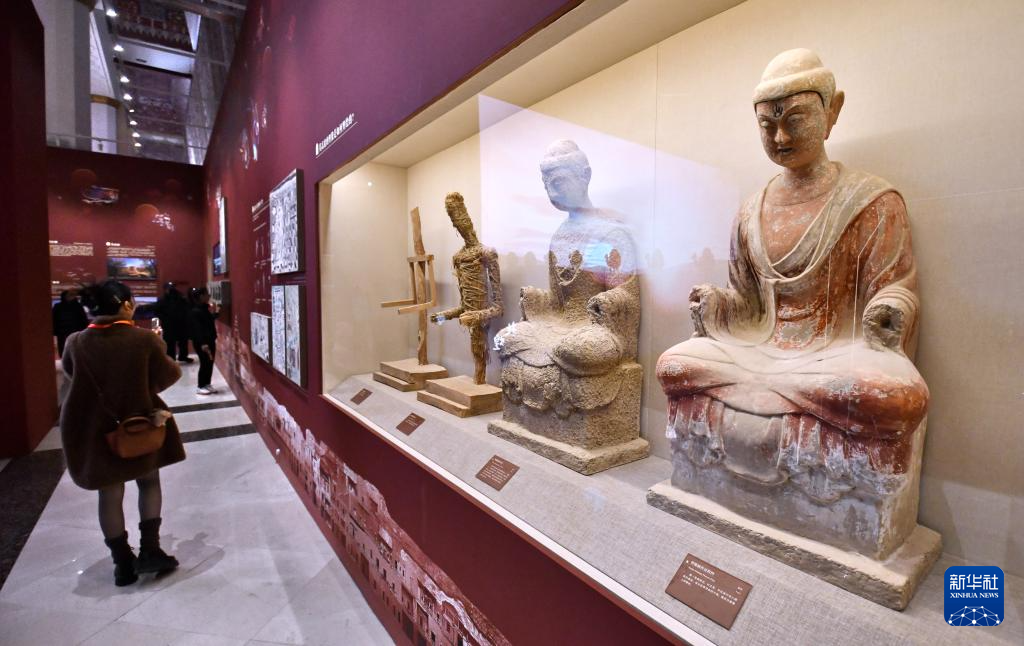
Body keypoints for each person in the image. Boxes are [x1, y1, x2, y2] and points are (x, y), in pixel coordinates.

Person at [60, 279, 185, 586]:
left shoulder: (76, 342)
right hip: (140, 425)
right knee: (149, 482)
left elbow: (71, 375)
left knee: (110, 493)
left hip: (96, 432)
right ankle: (150, 550)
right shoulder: (143, 339)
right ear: (127, 304)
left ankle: (122, 564)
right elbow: (169, 374)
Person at [188, 286, 219, 395]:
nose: (209, 296)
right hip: (203, 343)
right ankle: (200, 386)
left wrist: (216, 313)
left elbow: (208, 320)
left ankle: (207, 384)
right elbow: (197, 329)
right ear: (201, 296)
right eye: (207, 294)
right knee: (205, 363)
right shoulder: (195, 311)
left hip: (209, 341)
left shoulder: (203, 309)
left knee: (209, 362)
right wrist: (203, 343)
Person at [154, 282, 192, 363]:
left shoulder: (180, 297)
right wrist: (164, 318)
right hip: (169, 325)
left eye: (172, 288)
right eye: (169, 288)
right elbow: (157, 311)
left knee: (183, 341)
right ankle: (171, 358)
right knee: (170, 342)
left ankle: (183, 356)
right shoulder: (163, 300)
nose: (171, 290)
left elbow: (186, 307)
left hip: (181, 324)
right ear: (165, 289)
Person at [52, 290, 89, 357]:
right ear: (64, 296)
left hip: (75, 331)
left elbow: (83, 319)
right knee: (63, 347)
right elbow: (54, 319)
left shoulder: (78, 306)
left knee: (76, 347)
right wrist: (55, 330)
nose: (72, 296)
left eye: (72, 295)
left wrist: (84, 329)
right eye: (70, 295)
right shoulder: (57, 306)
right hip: (62, 331)